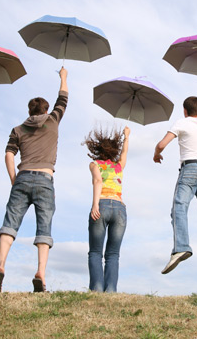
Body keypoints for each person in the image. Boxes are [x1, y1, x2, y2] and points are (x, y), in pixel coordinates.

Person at [0, 67, 68, 293]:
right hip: (45, 179)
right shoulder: (53, 120)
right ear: (46, 110)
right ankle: (40, 273)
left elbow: (8, 154)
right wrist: (63, 77)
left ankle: (0, 267)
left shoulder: (18, 129)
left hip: (22, 177)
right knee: (44, 227)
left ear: (29, 111)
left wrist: (14, 179)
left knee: (10, 224)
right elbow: (63, 98)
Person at [153, 82, 197, 284]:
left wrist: (156, 153)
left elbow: (162, 144)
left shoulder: (182, 123)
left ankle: (181, 247)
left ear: (185, 111)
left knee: (179, 207)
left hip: (190, 170)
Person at [84, 125, 130, 292]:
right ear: (114, 150)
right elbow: (125, 152)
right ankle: (110, 291)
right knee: (113, 254)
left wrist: (95, 204)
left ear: (98, 149)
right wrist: (127, 136)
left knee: (95, 252)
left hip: (102, 204)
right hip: (119, 208)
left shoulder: (95, 164)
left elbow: (98, 181)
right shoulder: (119, 165)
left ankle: (97, 289)